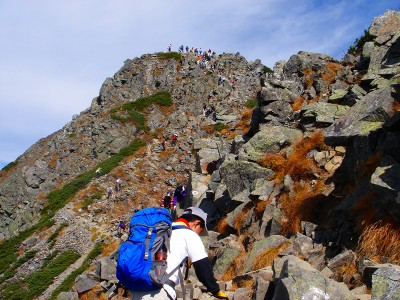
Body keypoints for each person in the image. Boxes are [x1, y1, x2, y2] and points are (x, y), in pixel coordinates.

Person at [130, 207, 229, 299]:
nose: (199, 233)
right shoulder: (189, 234)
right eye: (201, 230)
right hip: (159, 291)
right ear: (196, 224)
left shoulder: (160, 231)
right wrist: (215, 290)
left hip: (136, 291)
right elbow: (202, 267)